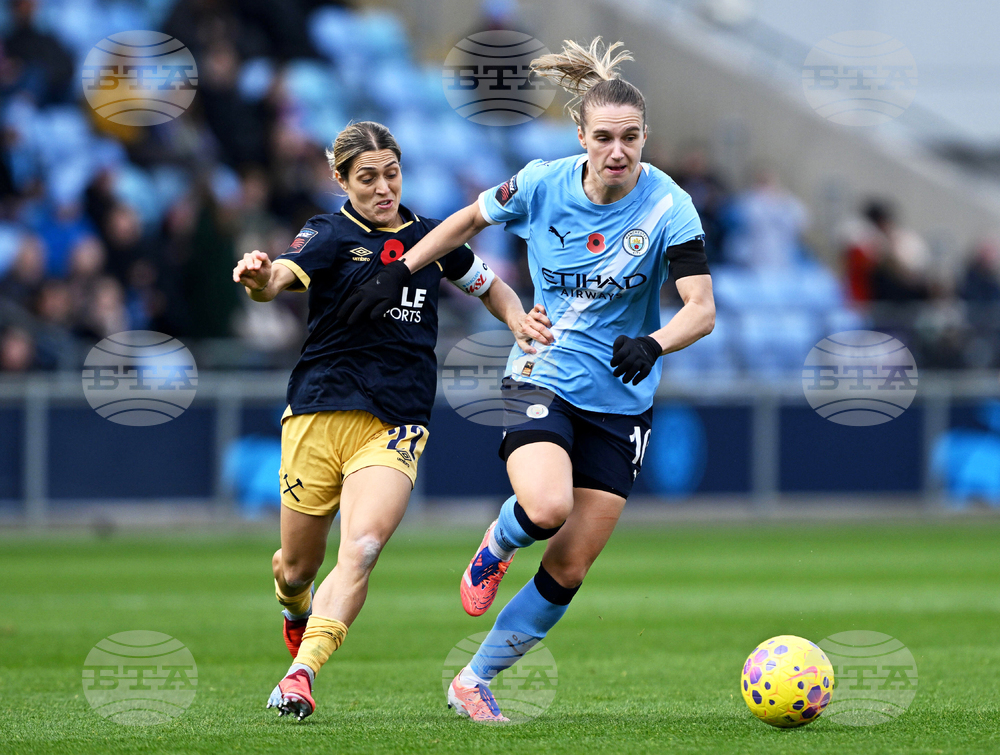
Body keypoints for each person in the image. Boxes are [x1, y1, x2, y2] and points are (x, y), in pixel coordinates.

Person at [340, 39, 715, 722]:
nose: (618, 151)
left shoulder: (670, 207)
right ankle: (500, 539)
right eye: (604, 137)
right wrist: (403, 267)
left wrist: (653, 342)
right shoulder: (542, 181)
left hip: (623, 401)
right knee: (545, 508)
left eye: (630, 138)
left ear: (644, 139)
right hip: (544, 373)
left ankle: (474, 679)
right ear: (581, 137)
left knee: (570, 566)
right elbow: (465, 221)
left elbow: (702, 309)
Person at [232, 121, 550, 721]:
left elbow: (489, 286)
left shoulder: (431, 238)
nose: (383, 188)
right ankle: (294, 606)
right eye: (367, 177)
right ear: (342, 180)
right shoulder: (330, 234)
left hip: (398, 420)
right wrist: (257, 278)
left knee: (365, 546)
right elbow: (278, 279)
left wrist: (516, 320)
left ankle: (301, 675)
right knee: (297, 565)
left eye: (391, 173)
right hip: (318, 413)